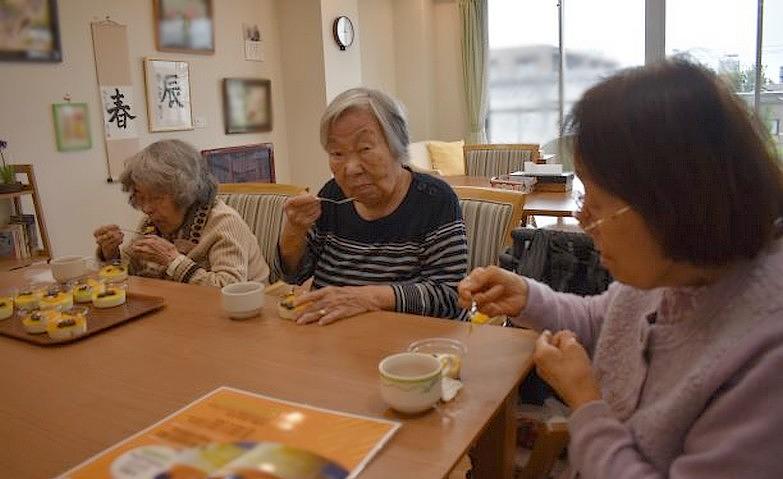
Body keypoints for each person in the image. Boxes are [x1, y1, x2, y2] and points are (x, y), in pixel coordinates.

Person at [459, 60, 783, 478]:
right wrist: (527, 296)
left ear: (671, 204)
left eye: (597, 201)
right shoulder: (681, 268)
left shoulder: (764, 353)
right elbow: (606, 318)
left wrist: (586, 403)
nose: (583, 219)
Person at [277, 87, 468, 325]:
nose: (351, 168)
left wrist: (366, 298)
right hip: (333, 341)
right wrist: (294, 232)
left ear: (397, 146)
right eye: (337, 153)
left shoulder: (435, 200)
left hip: (410, 347)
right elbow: (296, 276)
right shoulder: (331, 196)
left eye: (365, 149)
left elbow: (449, 296)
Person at [93, 139, 269, 287]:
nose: (146, 208)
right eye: (140, 197)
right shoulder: (151, 223)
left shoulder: (224, 222)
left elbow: (229, 287)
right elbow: (134, 271)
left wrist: (173, 261)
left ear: (185, 192)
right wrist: (111, 254)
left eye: (156, 198)